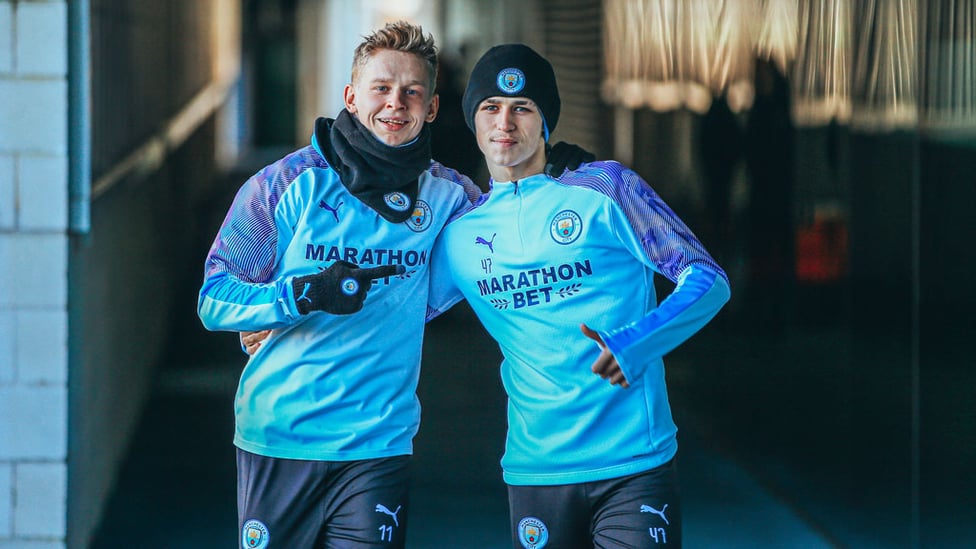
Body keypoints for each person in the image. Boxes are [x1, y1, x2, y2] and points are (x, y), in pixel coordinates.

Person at [199, 22, 586, 548]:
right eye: (381, 88)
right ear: (351, 97)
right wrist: (296, 298)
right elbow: (216, 297)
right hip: (281, 437)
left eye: (412, 92)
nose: (395, 104)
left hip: (377, 445)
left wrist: (568, 181)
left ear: (431, 108)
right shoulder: (285, 183)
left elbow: (516, 234)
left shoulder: (452, 198)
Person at [424, 44, 731, 548]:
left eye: (522, 107)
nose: (505, 122)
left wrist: (637, 341)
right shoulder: (461, 234)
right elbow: (393, 311)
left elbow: (706, 278)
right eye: (490, 108)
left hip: (633, 463)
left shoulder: (608, 189)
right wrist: (277, 323)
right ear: (472, 122)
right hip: (537, 472)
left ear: (545, 121)